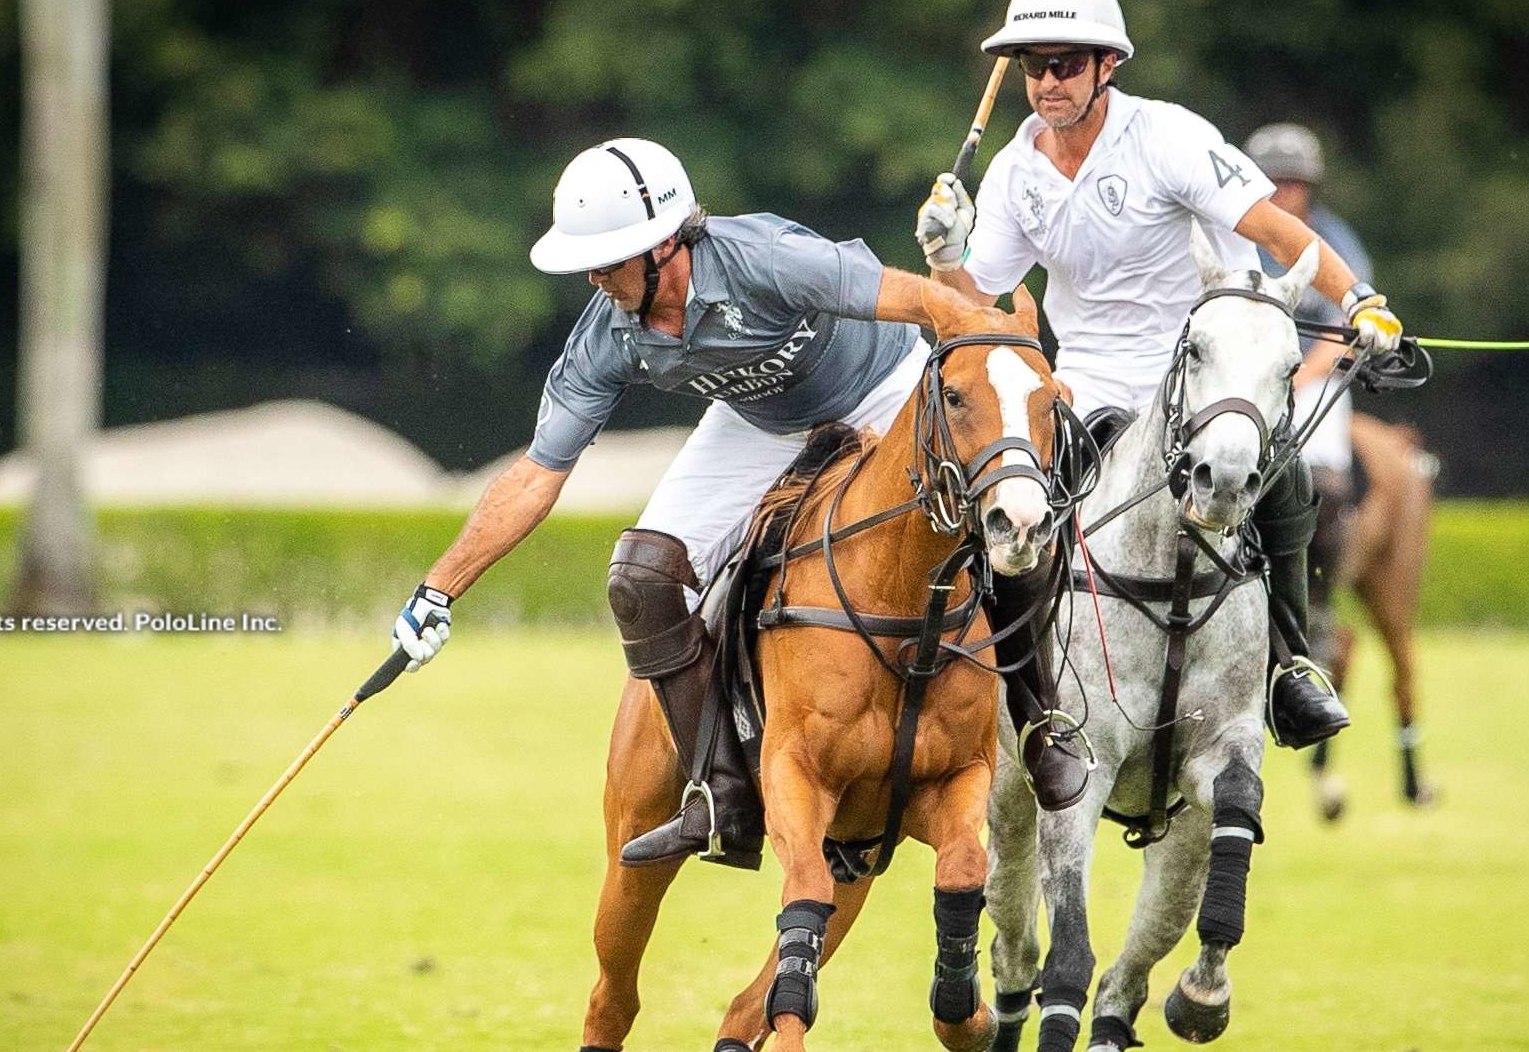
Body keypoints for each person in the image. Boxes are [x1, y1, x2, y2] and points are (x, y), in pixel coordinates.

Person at [385, 137, 1053, 866]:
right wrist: (438, 588)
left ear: (664, 246)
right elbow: (539, 473)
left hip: (883, 390)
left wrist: (990, 332)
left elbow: (921, 303)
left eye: (608, 262)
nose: (596, 280)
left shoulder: (763, 257)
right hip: (756, 420)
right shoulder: (608, 333)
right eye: (589, 265)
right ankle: (721, 793)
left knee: (995, 525)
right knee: (640, 578)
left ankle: (1038, 718)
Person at [915, 0, 1406, 753]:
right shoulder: (1013, 172)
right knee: (1007, 499)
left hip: (1199, 366)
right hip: (1085, 374)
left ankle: (1291, 666)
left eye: (1067, 63)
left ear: (1108, 65)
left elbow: (1275, 230)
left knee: (1290, 475)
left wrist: (1359, 300)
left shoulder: (1168, 136)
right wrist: (944, 256)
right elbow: (979, 301)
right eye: (1034, 66)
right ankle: (1011, 688)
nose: (1048, 81)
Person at [1243, 122, 1372, 659]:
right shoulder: (1240, 236)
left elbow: (1350, 331)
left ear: (1309, 188)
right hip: (1247, 376)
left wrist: (1298, 378)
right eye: (1272, 182)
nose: (1282, 193)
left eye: (1292, 184)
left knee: (1328, 488)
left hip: (1315, 381)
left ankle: (1318, 612)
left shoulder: (1335, 242)